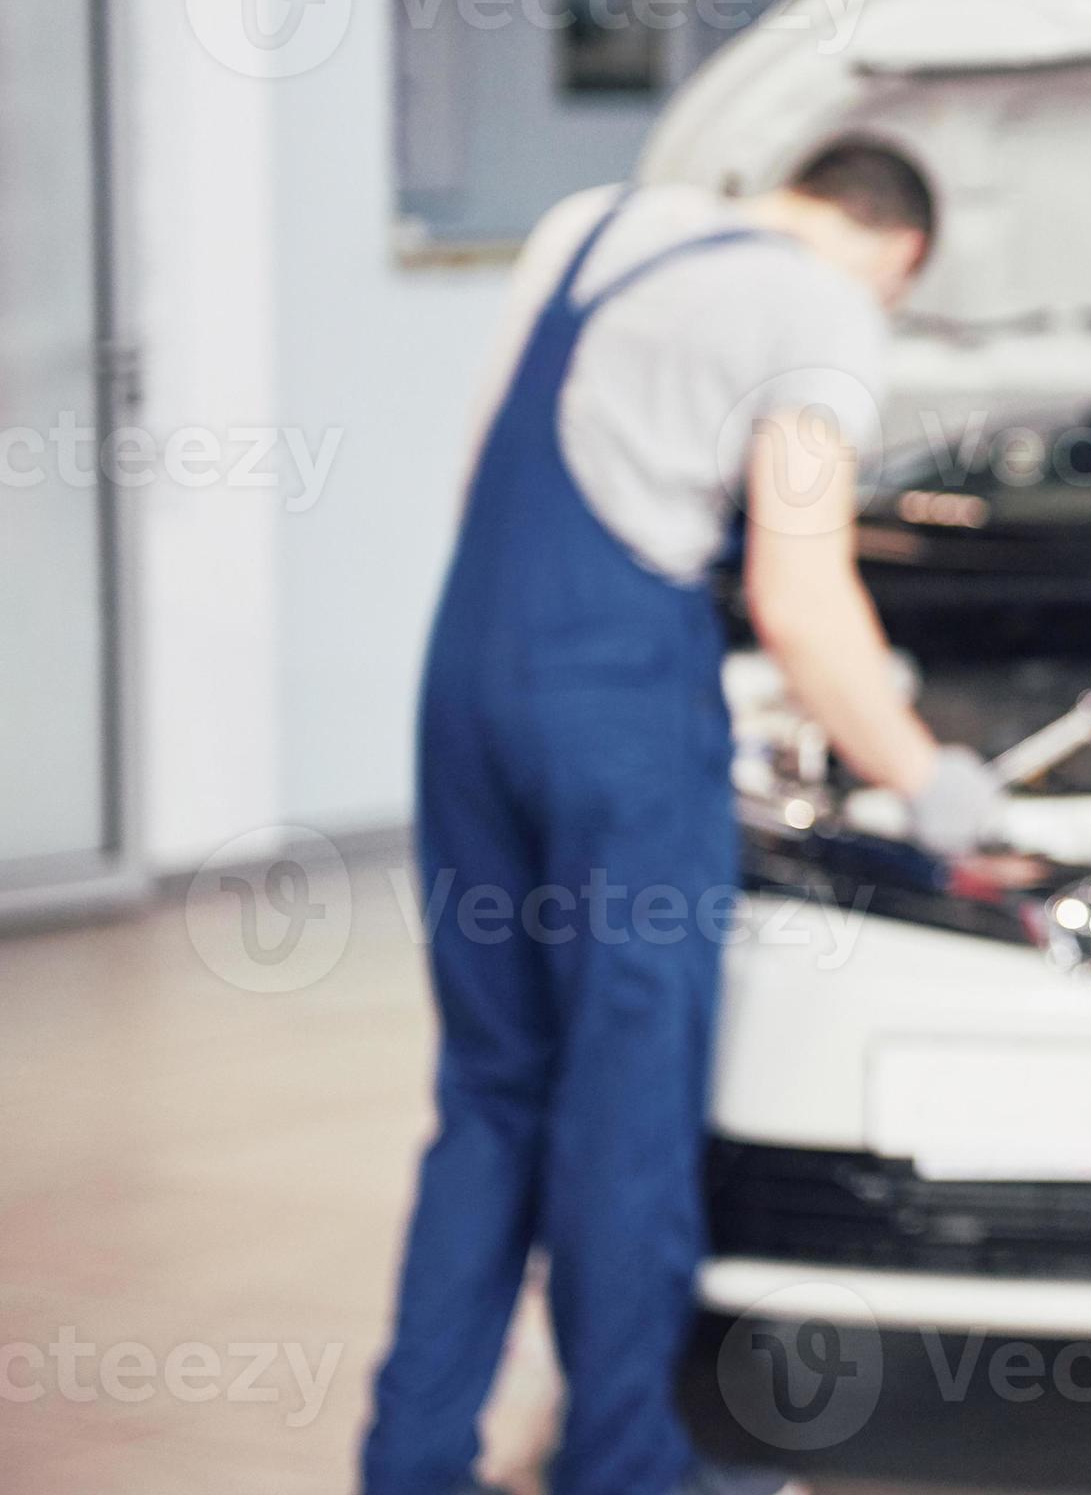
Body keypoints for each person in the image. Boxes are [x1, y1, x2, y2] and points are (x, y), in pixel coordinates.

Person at [360, 139, 1007, 1495]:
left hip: (465, 677)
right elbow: (799, 597)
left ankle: (410, 1464)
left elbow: (491, 472)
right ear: (895, 254)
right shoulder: (823, 306)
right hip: (620, 713)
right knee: (626, 1104)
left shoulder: (587, 222)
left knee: (488, 1091)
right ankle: (620, 1467)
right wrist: (935, 789)